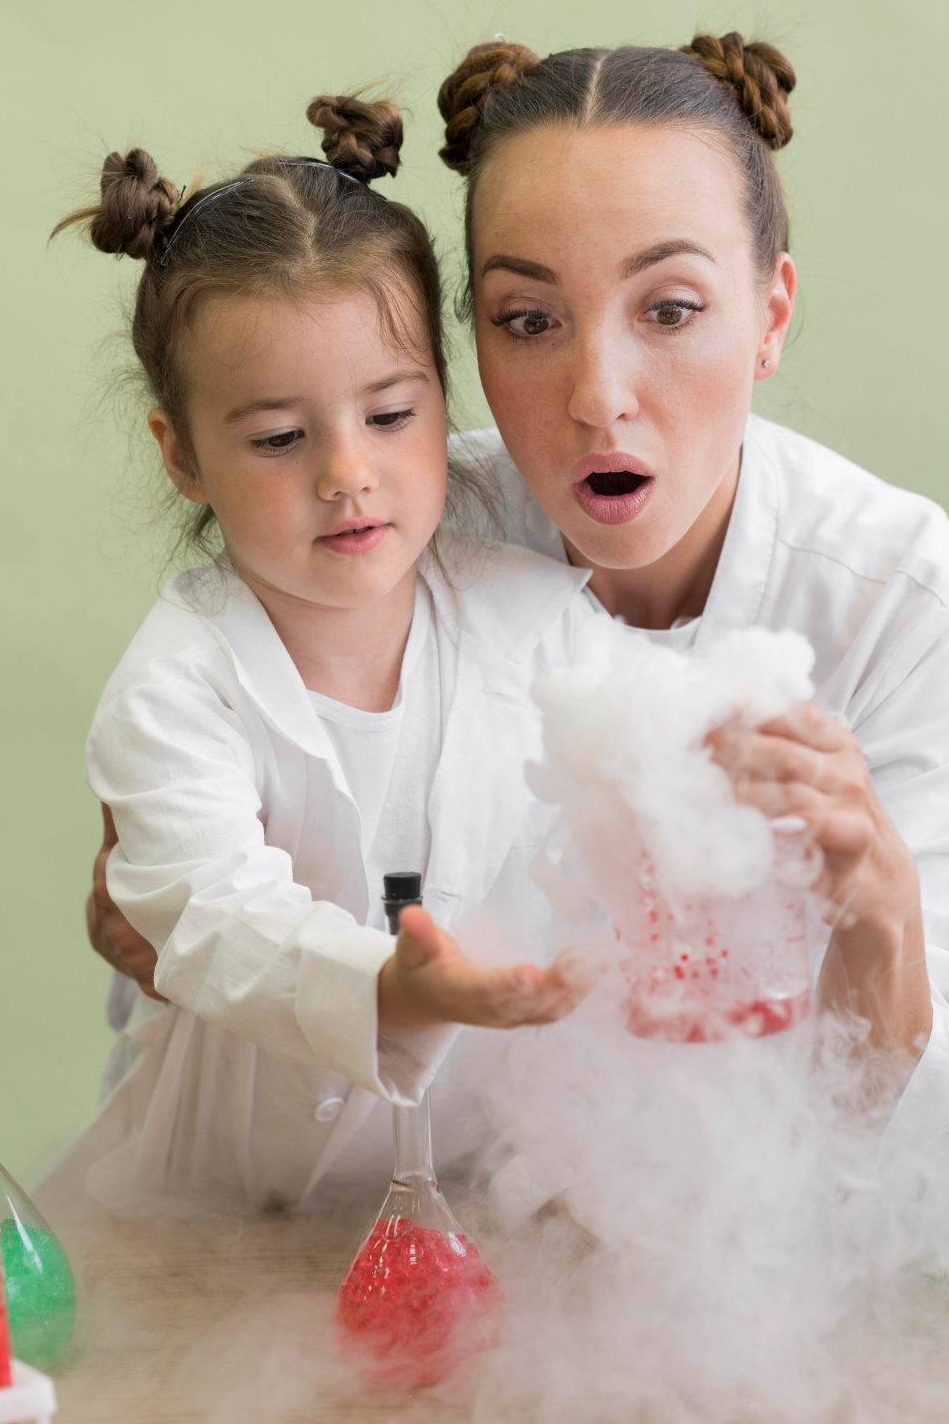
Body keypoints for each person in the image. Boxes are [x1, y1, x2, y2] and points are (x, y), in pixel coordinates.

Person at [89, 32, 949, 1157]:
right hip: (412, 1204)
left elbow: (910, 1118)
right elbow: (175, 905)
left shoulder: (918, 609)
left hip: (826, 1218)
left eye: (670, 309)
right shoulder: (397, 525)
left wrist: (877, 918)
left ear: (772, 313)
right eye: (529, 320)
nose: (600, 399)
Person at [49, 93, 603, 1213]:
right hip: (202, 1215)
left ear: (449, 404)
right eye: (279, 438)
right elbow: (210, 916)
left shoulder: (542, 624)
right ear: (184, 454)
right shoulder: (175, 687)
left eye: (392, 417)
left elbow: (646, 825)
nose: (347, 473)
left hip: (461, 1200)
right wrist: (387, 988)